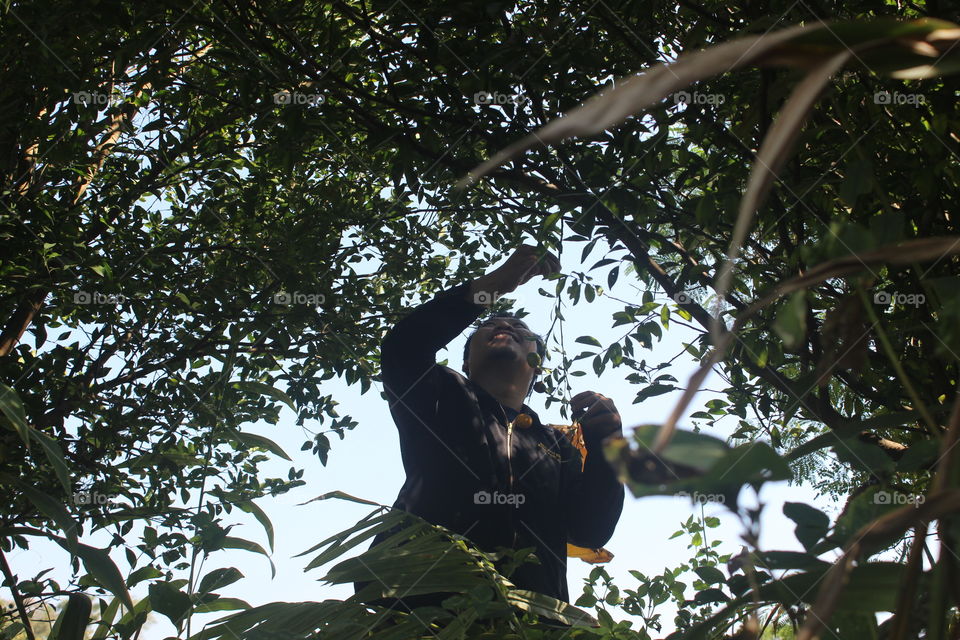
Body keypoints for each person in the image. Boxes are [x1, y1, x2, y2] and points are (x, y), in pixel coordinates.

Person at [355, 245, 625, 609]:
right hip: (419, 608)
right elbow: (405, 346)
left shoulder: (557, 446)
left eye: (519, 328)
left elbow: (589, 529)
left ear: (536, 365)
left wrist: (608, 443)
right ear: (466, 363)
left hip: (530, 618)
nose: (505, 325)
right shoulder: (439, 394)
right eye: (491, 324)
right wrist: (495, 285)